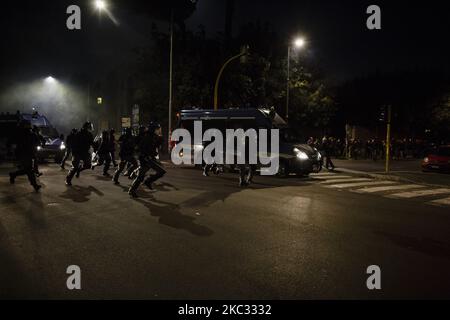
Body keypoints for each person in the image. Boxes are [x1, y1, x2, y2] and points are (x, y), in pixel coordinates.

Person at [128, 122, 166, 198]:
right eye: (157, 129)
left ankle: (134, 189)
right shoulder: (147, 137)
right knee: (160, 171)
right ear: (153, 129)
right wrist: (145, 157)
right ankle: (147, 182)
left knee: (141, 176)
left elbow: (154, 147)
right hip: (146, 159)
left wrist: (160, 141)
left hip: (149, 158)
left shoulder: (152, 136)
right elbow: (141, 149)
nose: (159, 131)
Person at [9, 120, 42, 191]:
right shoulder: (20, 133)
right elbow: (12, 142)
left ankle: (13, 174)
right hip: (23, 154)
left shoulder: (30, 133)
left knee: (27, 170)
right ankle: (34, 185)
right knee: (29, 170)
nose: (28, 126)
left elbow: (37, 141)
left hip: (28, 153)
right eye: (27, 125)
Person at [65, 122, 94, 186]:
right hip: (77, 152)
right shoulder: (78, 134)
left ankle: (79, 170)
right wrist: (73, 151)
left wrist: (95, 145)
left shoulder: (89, 134)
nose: (90, 128)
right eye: (89, 127)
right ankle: (68, 179)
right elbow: (73, 143)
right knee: (74, 167)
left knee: (88, 165)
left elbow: (92, 143)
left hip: (85, 152)